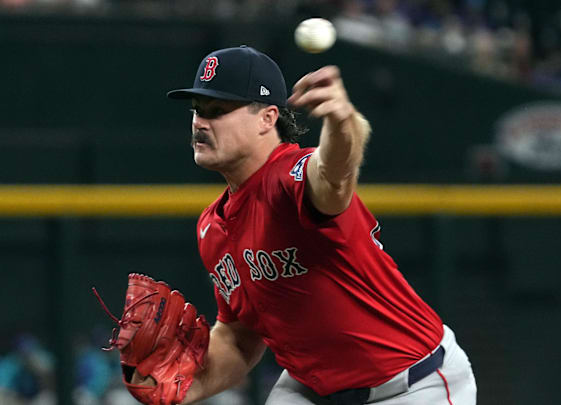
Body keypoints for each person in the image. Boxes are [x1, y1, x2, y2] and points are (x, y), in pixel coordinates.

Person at [158, 45, 477, 404]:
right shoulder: (211, 228)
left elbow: (332, 176)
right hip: (312, 390)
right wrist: (181, 385)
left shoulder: (288, 178)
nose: (201, 121)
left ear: (267, 118)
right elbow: (239, 336)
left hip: (413, 384)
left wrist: (344, 124)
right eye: (198, 110)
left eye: (218, 110)